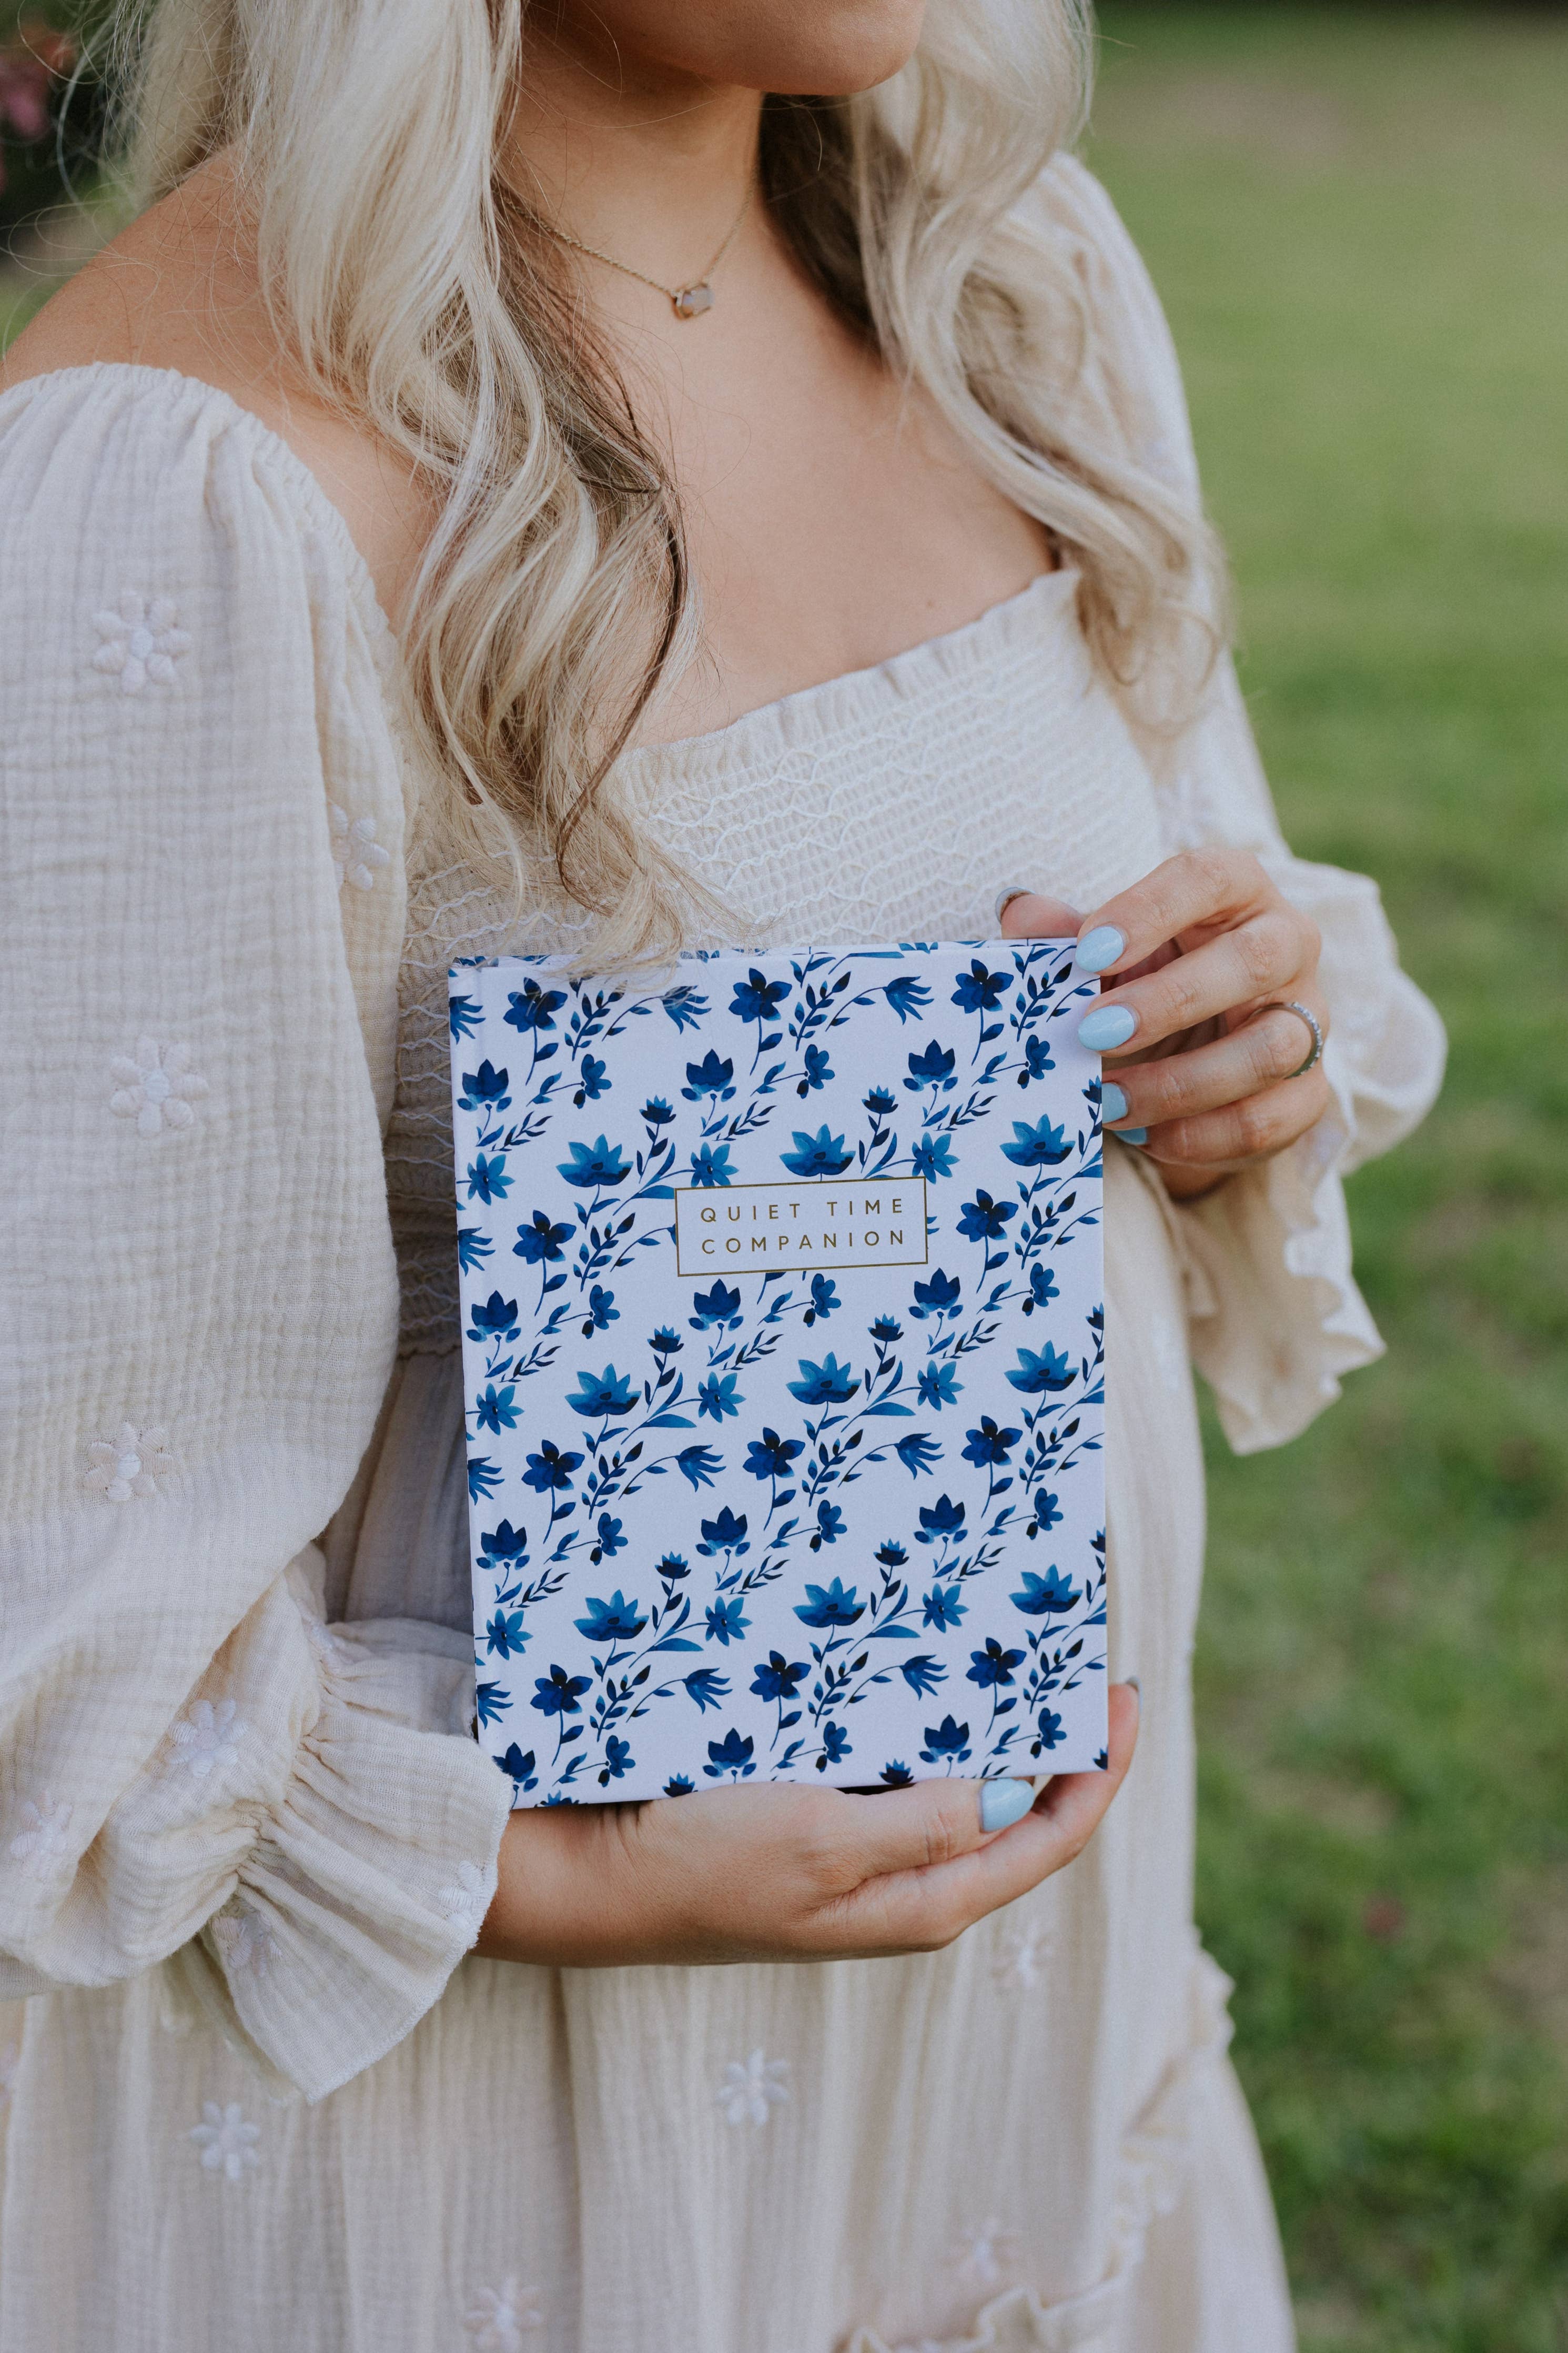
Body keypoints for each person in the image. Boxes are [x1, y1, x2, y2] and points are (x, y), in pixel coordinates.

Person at [0, 3, 1444, 2348]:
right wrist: (542, 1868)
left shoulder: (999, 283)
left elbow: (1209, 884)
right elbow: (42, 1583)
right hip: (508, 2140)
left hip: (1013, 2034)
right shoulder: (172, 492)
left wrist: (1235, 1038)